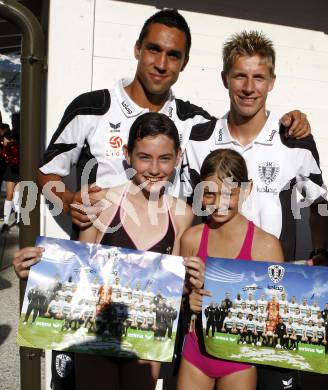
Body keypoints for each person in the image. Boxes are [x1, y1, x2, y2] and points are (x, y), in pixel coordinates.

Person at [37, 9, 311, 232]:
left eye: (173, 55)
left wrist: (289, 123)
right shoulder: (91, 107)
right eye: (154, 49)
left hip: (167, 266)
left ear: (185, 62)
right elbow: (46, 172)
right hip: (101, 250)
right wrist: (69, 200)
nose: (161, 63)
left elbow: (242, 136)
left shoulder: (194, 123)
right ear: (137, 49)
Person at [13, 112, 204, 389]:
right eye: (144, 157)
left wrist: (192, 283)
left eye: (164, 158)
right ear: (127, 155)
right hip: (95, 330)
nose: (154, 168)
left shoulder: (182, 214)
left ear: (178, 157)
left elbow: (173, 286)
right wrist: (35, 273)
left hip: (144, 336)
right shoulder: (101, 201)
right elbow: (77, 272)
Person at [181, 30, 328, 263]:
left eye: (259, 77)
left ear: (271, 81)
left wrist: (320, 251)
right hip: (210, 279)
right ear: (224, 79)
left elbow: (319, 205)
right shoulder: (198, 140)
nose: (249, 88)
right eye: (240, 76)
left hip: (271, 279)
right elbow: (184, 208)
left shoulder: (294, 141)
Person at [177, 149, 284, 390]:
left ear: (246, 190)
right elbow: (173, 299)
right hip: (196, 353)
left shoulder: (266, 245)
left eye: (229, 194)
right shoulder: (192, 239)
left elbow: (276, 312)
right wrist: (188, 301)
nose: (218, 204)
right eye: (209, 194)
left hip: (240, 360)